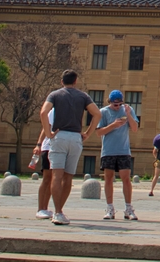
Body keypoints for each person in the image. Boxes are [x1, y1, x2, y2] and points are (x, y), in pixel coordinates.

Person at [38, 70, 101, 226]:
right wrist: (87, 133)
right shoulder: (83, 96)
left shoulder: (55, 95)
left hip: (59, 136)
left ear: (62, 81)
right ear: (75, 81)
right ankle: (60, 211)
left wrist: (48, 132)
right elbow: (97, 114)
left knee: (56, 176)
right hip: (75, 137)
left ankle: (57, 211)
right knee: (68, 177)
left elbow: (43, 112)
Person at [97, 90, 139, 220]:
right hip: (108, 150)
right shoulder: (103, 112)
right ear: (109, 102)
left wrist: (128, 114)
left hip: (123, 150)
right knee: (108, 178)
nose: (117, 106)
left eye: (119, 104)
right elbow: (99, 132)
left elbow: (135, 128)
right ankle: (110, 208)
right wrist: (114, 125)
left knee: (126, 178)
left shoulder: (128, 109)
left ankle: (128, 208)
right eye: (115, 104)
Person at [33, 107, 55, 219]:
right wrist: (39, 144)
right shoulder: (54, 111)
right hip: (48, 147)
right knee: (47, 178)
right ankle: (40, 208)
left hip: (59, 147)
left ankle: (45, 208)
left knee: (52, 179)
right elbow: (46, 127)